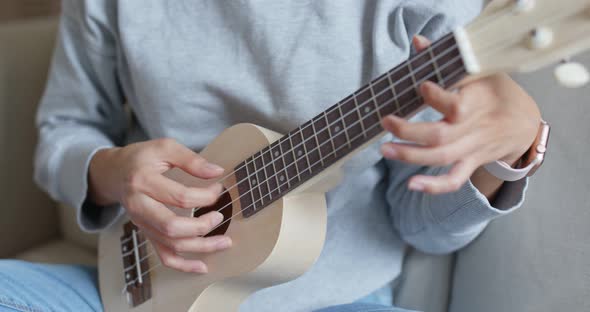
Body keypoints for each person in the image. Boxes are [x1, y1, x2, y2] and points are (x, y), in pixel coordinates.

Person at [0, 1, 542, 311]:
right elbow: (63, 129)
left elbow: (421, 222)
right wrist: (111, 173)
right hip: (136, 288)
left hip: (334, 302)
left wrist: (508, 155)